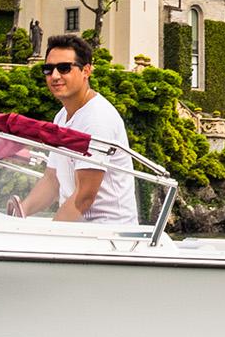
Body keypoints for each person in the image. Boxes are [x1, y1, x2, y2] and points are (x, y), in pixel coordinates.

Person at [7, 34, 137, 225]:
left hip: (107, 236)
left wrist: (51, 236)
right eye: (48, 69)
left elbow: (84, 196)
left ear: (86, 71)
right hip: (78, 231)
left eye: (64, 68)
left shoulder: (97, 119)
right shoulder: (62, 116)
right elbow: (52, 180)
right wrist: (19, 216)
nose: (55, 76)